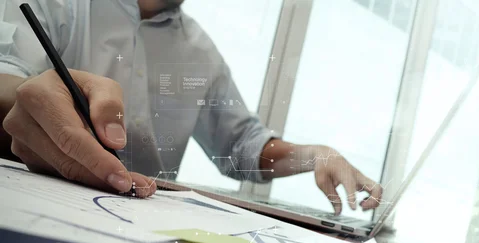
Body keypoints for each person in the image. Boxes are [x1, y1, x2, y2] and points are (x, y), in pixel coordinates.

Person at [0, 0, 382, 213]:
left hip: (142, 224)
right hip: (30, 208)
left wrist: (314, 156)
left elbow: (241, 144)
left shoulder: (200, 53)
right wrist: (25, 97)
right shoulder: (59, 5)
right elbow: (6, 77)